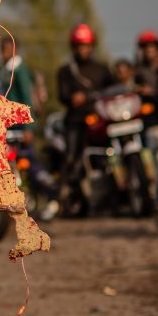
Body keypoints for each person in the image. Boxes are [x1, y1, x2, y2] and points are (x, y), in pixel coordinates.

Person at [0, 34, 58, 220]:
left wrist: (29, 128)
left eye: (8, 50)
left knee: (30, 163)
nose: (5, 53)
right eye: (3, 50)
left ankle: (51, 195)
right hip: (10, 127)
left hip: (22, 127)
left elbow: (27, 100)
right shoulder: (4, 70)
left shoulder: (19, 70)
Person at [56, 23, 113, 216]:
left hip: (100, 120)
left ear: (92, 46)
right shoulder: (66, 70)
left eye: (86, 45)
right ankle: (66, 195)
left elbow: (113, 91)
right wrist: (73, 98)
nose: (83, 50)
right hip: (75, 121)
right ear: (74, 47)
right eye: (79, 46)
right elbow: (62, 96)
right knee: (72, 157)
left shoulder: (102, 69)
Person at [135, 30, 158, 193]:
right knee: (149, 161)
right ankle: (152, 194)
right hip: (148, 123)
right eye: (145, 48)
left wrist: (155, 93)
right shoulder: (140, 71)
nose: (149, 51)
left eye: (152, 48)